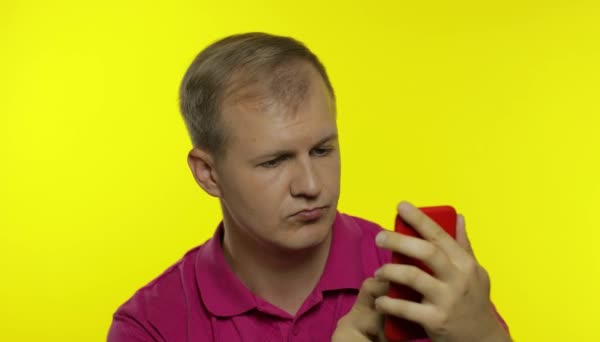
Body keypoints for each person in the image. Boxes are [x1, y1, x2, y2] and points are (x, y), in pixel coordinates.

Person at [108, 32, 511, 342]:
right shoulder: (149, 326)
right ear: (208, 174)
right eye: (275, 161)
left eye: (322, 149)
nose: (312, 185)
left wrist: (488, 338)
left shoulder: (423, 280)